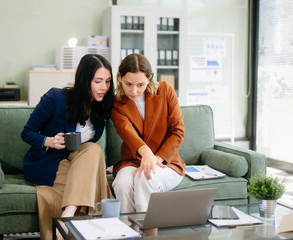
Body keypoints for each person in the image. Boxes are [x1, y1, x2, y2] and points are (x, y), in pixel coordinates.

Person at [21, 54, 114, 240]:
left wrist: (102, 167)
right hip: (49, 163)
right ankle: (87, 228)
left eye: (108, 81)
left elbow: (86, 150)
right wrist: (49, 141)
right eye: (98, 81)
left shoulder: (101, 107)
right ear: (84, 79)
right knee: (93, 188)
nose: (104, 87)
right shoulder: (56, 98)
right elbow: (27, 132)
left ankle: (66, 217)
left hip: (76, 162)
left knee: (94, 150)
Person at [111, 53, 185, 217]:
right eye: (128, 84)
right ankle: (129, 232)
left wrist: (156, 158)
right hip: (132, 160)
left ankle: (148, 232)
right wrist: (145, 153)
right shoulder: (117, 103)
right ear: (119, 78)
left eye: (140, 84)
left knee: (145, 178)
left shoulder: (165, 90)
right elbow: (127, 132)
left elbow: (177, 131)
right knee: (122, 184)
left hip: (166, 162)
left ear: (150, 79)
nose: (134, 90)